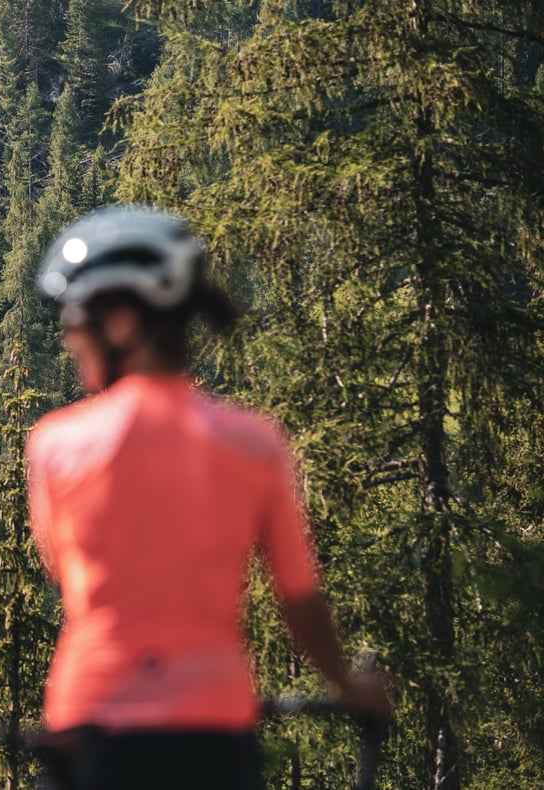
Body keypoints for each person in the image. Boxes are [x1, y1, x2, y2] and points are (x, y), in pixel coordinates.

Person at [26, 205, 390, 789]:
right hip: (212, 730)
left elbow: (63, 571)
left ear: (121, 322)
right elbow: (299, 597)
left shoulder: (54, 446)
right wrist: (349, 687)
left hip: (89, 727)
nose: (68, 340)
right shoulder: (254, 442)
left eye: (75, 319)